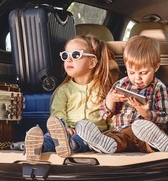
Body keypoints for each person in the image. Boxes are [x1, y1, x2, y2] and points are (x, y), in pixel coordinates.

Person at [24, 34, 116, 162]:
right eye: (65, 56)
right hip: (66, 130)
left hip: (93, 133)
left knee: (82, 139)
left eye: (76, 55)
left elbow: (111, 115)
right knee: (50, 137)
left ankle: (70, 145)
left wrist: (114, 132)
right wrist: (64, 127)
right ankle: (38, 147)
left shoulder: (104, 89)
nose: (69, 60)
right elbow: (58, 111)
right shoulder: (64, 90)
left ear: (92, 62)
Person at [75, 35, 168, 153]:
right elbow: (104, 115)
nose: (137, 78)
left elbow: (164, 117)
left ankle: (157, 146)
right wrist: (110, 99)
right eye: (131, 72)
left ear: (156, 67)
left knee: (153, 135)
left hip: (147, 132)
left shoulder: (158, 87)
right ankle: (103, 143)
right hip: (123, 132)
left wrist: (147, 114)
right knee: (115, 137)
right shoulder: (120, 85)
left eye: (143, 73)